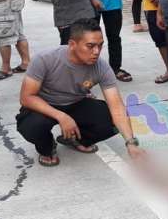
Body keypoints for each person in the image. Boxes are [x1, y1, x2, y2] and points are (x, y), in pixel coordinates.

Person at [16, 18, 147, 167]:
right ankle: (47, 146)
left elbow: (116, 106)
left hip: (75, 103)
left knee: (110, 120)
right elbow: (26, 97)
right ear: (72, 44)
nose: (96, 52)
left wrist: (131, 143)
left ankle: (75, 139)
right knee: (32, 126)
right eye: (90, 46)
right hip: (44, 105)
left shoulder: (101, 67)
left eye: (100, 45)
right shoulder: (45, 59)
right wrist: (62, 117)